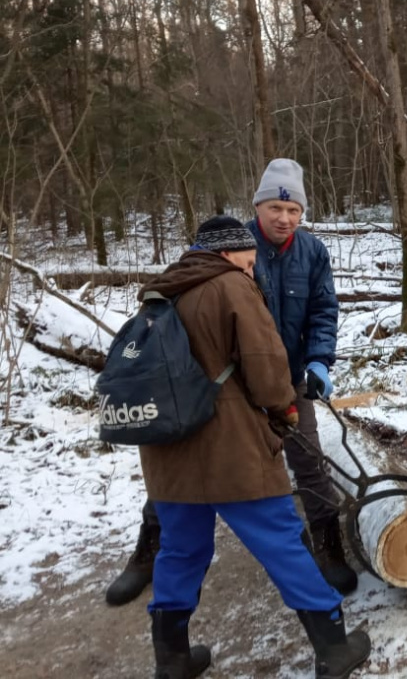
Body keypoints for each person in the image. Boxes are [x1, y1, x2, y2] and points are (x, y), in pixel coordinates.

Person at [106, 159, 356, 606]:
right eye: (275, 208)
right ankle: (148, 550)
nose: (284, 218)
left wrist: (319, 361)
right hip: (221, 385)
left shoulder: (313, 253)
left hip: (288, 377)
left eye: (293, 210)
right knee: (183, 471)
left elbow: (323, 310)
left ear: (301, 213)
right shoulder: (229, 244)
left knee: (310, 459)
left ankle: (327, 542)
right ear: (258, 206)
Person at [136, 216, 369, 679]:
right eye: (246, 261)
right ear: (227, 255)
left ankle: (172, 658)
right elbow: (267, 370)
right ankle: (333, 646)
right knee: (282, 542)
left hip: (167, 451)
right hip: (232, 450)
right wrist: (285, 412)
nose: (251, 270)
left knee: (181, 550)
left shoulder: (160, 291)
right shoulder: (231, 287)